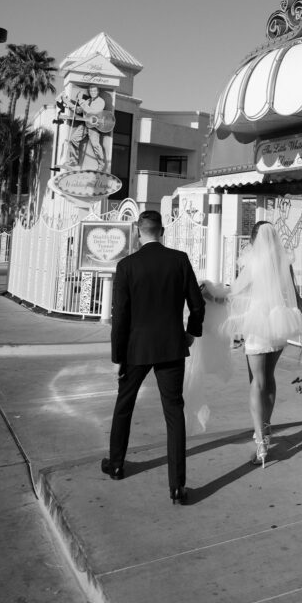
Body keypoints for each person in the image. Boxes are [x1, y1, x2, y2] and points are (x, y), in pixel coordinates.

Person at [101, 210, 205, 504]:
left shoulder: (127, 266)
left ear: (138, 231)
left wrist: (117, 355)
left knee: (124, 405)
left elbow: (119, 316)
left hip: (136, 348)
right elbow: (197, 306)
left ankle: (117, 464)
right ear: (161, 231)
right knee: (174, 413)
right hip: (171, 346)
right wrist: (190, 333)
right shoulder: (179, 260)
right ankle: (177, 486)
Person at [223, 220, 302, 467]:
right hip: (279, 324)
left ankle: (261, 445)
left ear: (254, 241)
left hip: (258, 326)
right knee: (269, 378)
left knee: (256, 382)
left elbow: (235, 293)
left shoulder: (252, 262)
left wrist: (211, 294)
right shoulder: (283, 264)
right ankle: (265, 430)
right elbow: (296, 297)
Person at [62, 85, 114, 170]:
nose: (93, 92)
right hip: (86, 123)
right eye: (91, 91)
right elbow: (79, 110)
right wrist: (67, 102)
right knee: (73, 139)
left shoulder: (101, 101)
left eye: (94, 91)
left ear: (98, 92)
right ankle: (74, 160)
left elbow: (91, 112)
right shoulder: (88, 101)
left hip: (94, 126)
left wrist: (80, 100)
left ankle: (101, 164)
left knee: (95, 145)